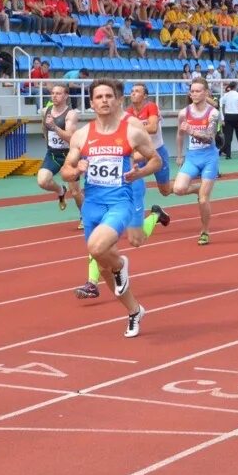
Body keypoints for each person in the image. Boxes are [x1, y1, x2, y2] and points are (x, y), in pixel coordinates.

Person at [61, 78, 161, 338]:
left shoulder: (131, 132)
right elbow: (65, 170)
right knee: (104, 269)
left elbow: (156, 161)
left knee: (96, 247)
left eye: (109, 96)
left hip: (119, 201)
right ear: (91, 103)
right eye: (99, 97)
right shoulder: (82, 135)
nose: (104, 100)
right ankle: (134, 311)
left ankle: (121, 264)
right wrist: (75, 170)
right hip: (92, 204)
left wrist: (139, 175)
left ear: (117, 101)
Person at [172, 77, 221, 246]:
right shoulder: (183, 113)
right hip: (192, 156)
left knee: (203, 200)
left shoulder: (213, 113)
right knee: (178, 189)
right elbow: (179, 134)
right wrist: (178, 155)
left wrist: (191, 130)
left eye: (198, 91)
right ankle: (199, 189)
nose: (194, 94)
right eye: (192, 91)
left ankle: (205, 231)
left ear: (206, 92)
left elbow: (209, 137)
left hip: (209, 157)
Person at [36, 84, 84, 221]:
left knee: (75, 192)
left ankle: (84, 215)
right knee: (42, 181)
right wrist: (48, 141)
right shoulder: (46, 111)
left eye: (58, 93)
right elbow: (44, 128)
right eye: (53, 93)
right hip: (53, 153)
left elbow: (70, 137)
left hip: (70, 155)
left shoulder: (71, 114)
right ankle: (60, 191)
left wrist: (54, 127)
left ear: (66, 96)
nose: (54, 96)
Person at [219, 81, 238, 159]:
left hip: (227, 116)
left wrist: (222, 118)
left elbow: (221, 106)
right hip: (236, 116)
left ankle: (228, 155)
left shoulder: (225, 95)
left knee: (228, 137)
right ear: (236, 87)